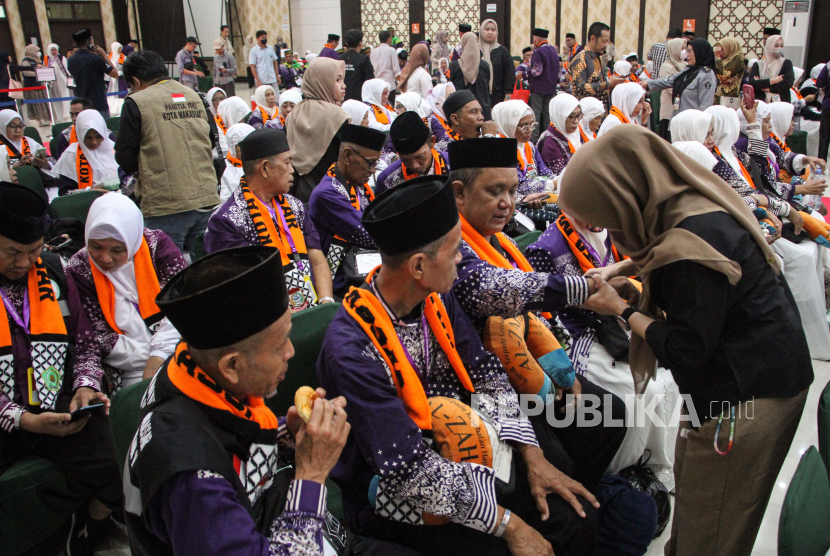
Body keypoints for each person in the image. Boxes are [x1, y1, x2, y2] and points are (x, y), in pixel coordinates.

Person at [318, 173, 602, 556]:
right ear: (418, 266)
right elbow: (407, 471)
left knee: (571, 512)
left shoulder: (434, 296)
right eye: (456, 250)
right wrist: (509, 526)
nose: (462, 259)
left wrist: (530, 454)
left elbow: (484, 370)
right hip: (395, 488)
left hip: (466, 442)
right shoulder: (352, 352)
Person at [565, 124, 814, 556]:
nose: (603, 228)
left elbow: (684, 349)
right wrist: (623, 272)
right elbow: (663, 254)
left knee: (710, 531)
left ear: (624, 195)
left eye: (604, 215)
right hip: (752, 374)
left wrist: (621, 311)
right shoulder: (688, 199)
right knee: (700, 510)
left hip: (746, 394)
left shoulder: (694, 242)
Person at [123, 244, 353, 556]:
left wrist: (288, 436)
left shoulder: (188, 370)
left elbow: (229, 447)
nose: (291, 352)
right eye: (280, 343)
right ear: (231, 366)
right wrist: (311, 474)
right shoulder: (192, 482)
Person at [0, 182, 123, 555]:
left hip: (56, 402)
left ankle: (89, 526)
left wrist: (86, 385)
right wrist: (23, 419)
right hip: (5, 416)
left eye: (32, 251)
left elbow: (84, 340)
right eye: (11, 253)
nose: (23, 263)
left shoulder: (53, 270)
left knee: (124, 452)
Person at [205, 127, 334, 310]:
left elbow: (317, 259)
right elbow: (242, 287)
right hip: (266, 317)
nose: (292, 171)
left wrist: (326, 303)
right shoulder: (227, 221)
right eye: (287, 163)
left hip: (311, 303)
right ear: (265, 168)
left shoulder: (294, 206)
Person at [66, 193, 183, 391]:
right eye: (96, 247)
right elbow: (98, 337)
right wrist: (154, 357)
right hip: (128, 366)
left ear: (132, 240)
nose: (105, 258)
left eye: (117, 250)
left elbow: (181, 306)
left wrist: (161, 354)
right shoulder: (79, 268)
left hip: (177, 348)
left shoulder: (157, 247)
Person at [115, 50, 220, 259]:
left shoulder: (136, 102)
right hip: (206, 197)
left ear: (135, 80)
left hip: (166, 205)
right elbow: (210, 140)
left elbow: (125, 160)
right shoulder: (195, 96)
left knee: (168, 275)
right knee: (207, 270)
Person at [308, 124, 384, 295]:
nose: (372, 171)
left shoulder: (356, 183)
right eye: (370, 163)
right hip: (339, 281)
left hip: (361, 267)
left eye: (376, 164)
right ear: (348, 155)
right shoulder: (326, 194)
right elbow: (369, 233)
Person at [285, 57, 349, 203]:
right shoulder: (337, 115)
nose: (343, 85)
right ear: (322, 81)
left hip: (296, 191)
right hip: (330, 191)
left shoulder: (294, 112)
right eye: (337, 80)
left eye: (342, 80)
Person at [376, 111, 450, 194]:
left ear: (432, 142)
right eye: (406, 160)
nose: (415, 166)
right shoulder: (387, 181)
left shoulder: (454, 166)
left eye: (420, 156)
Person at [491, 100, 553, 199]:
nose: (529, 130)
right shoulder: (501, 149)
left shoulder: (529, 146)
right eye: (524, 126)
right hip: (515, 202)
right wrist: (553, 184)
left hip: (536, 196)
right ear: (509, 125)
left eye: (532, 125)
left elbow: (545, 172)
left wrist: (560, 179)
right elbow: (520, 186)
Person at [51, 110, 122, 195]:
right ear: (80, 135)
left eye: (98, 137)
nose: (94, 142)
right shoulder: (71, 155)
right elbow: (64, 193)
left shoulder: (114, 148)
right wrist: (89, 192)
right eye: (88, 138)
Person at [646, 38, 717, 116]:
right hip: (678, 119)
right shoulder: (688, 70)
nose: (687, 54)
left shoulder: (706, 75)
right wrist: (648, 84)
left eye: (690, 51)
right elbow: (671, 80)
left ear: (699, 52)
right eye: (686, 51)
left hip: (691, 123)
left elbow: (705, 106)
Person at [570, 22, 624, 109]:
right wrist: (607, 84)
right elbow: (580, 88)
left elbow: (600, 82)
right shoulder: (580, 59)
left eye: (607, 42)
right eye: (603, 41)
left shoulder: (600, 58)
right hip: (587, 113)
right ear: (593, 38)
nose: (606, 45)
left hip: (602, 110)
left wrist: (613, 83)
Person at [0, 109, 55, 195]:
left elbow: (52, 162)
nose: (18, 130)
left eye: (21, 126)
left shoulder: (30, 142)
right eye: (12, 126)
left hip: (40, 185)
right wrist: (17, 166)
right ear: (2, 126)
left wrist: (45, 164)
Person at [68, 29, 119, 119]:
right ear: (89, 41)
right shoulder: (95, 59)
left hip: (82, 104)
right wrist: (104, 55)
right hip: (98, 103)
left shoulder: (71, 60)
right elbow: (115, 74)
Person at [537, 93, 586, 175]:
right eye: (571, 116)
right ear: (559, 116)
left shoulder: (575, 133)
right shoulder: (550, 143)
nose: (576, 121)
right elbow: (560, 177)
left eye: (578, 115)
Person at [525, 28, 559, 142]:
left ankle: (534, 141)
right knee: (547, 115)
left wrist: (524, 74)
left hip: (538, 88)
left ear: (537, 39)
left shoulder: (539, 52)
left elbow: (537, 71)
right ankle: (546, 140)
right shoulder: (553, 50)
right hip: (551, 88)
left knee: (536, 115)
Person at [450, 33, 492, 120]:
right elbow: (487, 86)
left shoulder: (455, 65)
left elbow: (452, 87)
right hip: (482, 109)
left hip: (462, 110)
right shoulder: (484, 65)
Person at [748, 35, 795, 103]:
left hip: (780, 104)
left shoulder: (786, 63)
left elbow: (788, 83)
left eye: (781, 46)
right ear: (769, 46)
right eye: (776, 46)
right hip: (761, 104)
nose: (779, 48)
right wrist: (774, 80)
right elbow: (752, 83)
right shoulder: (758, 65)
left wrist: (767, 88)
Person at [656, 38, 687, 140]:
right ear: (675, 49)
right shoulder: (666, 67)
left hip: (681, 110)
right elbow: (671, 88)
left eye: (685, 48)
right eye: (682, 48)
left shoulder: (685, 65)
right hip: (669, 111)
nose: (684, 51)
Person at [479, 19, 514, 106]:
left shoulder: (502, 51)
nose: (490, 32)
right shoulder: (475, 50)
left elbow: (509, 74)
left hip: (498, 97)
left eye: (493, 30)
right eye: (487, 29)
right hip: (478, 96)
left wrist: (508, 96)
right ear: (481, 30)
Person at [218, 123, 254, 200]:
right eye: (241, 146)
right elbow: (225, 200)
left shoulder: (259, 164)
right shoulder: (228, 171)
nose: (247, 149)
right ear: (233, 148)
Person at [17, 44, 50, 126]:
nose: (38, 53)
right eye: (36, 51)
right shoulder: (26, 61)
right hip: (31, 86)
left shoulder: (37, 60)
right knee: (35, 104)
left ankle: (45, 119)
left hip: (39, 85)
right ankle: (39, 120)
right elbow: (26, 72)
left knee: (42, 103)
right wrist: (38, 72)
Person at [341, 29, 375, 101]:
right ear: (360, 43)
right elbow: (370, 81)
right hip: (359, 99)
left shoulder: (340, 58)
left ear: (347, 43)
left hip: (342, 98)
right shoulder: (363, 59)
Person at [713, 37, 744, 108]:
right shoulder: (721, 60)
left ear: (729, 48)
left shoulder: (738, 59)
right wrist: (721, 81)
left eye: (722, 49)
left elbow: (723, 75)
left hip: (729, 98)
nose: (719, 52)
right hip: (717, 95)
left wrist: (717, 58)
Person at [425, 83, 456, 149]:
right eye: (450, 95)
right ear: (438, 101)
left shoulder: (454, 117)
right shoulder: (432, 119)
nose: (454, 99)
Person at [45, 44, 71, 122]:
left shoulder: (61, 58)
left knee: (65, 96)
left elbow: (67, 68)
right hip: (53, 81)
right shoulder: (47, 59)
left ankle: (67, 114)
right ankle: (59, 115)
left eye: (55, 50)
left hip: (62, 79)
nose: (54, 52)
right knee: (56, 97)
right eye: (52, 50)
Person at [816, 63, 830, 160]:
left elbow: (819, 82)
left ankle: (821, 163)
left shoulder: (829, 65)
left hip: (828, 105)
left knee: (824, 137)